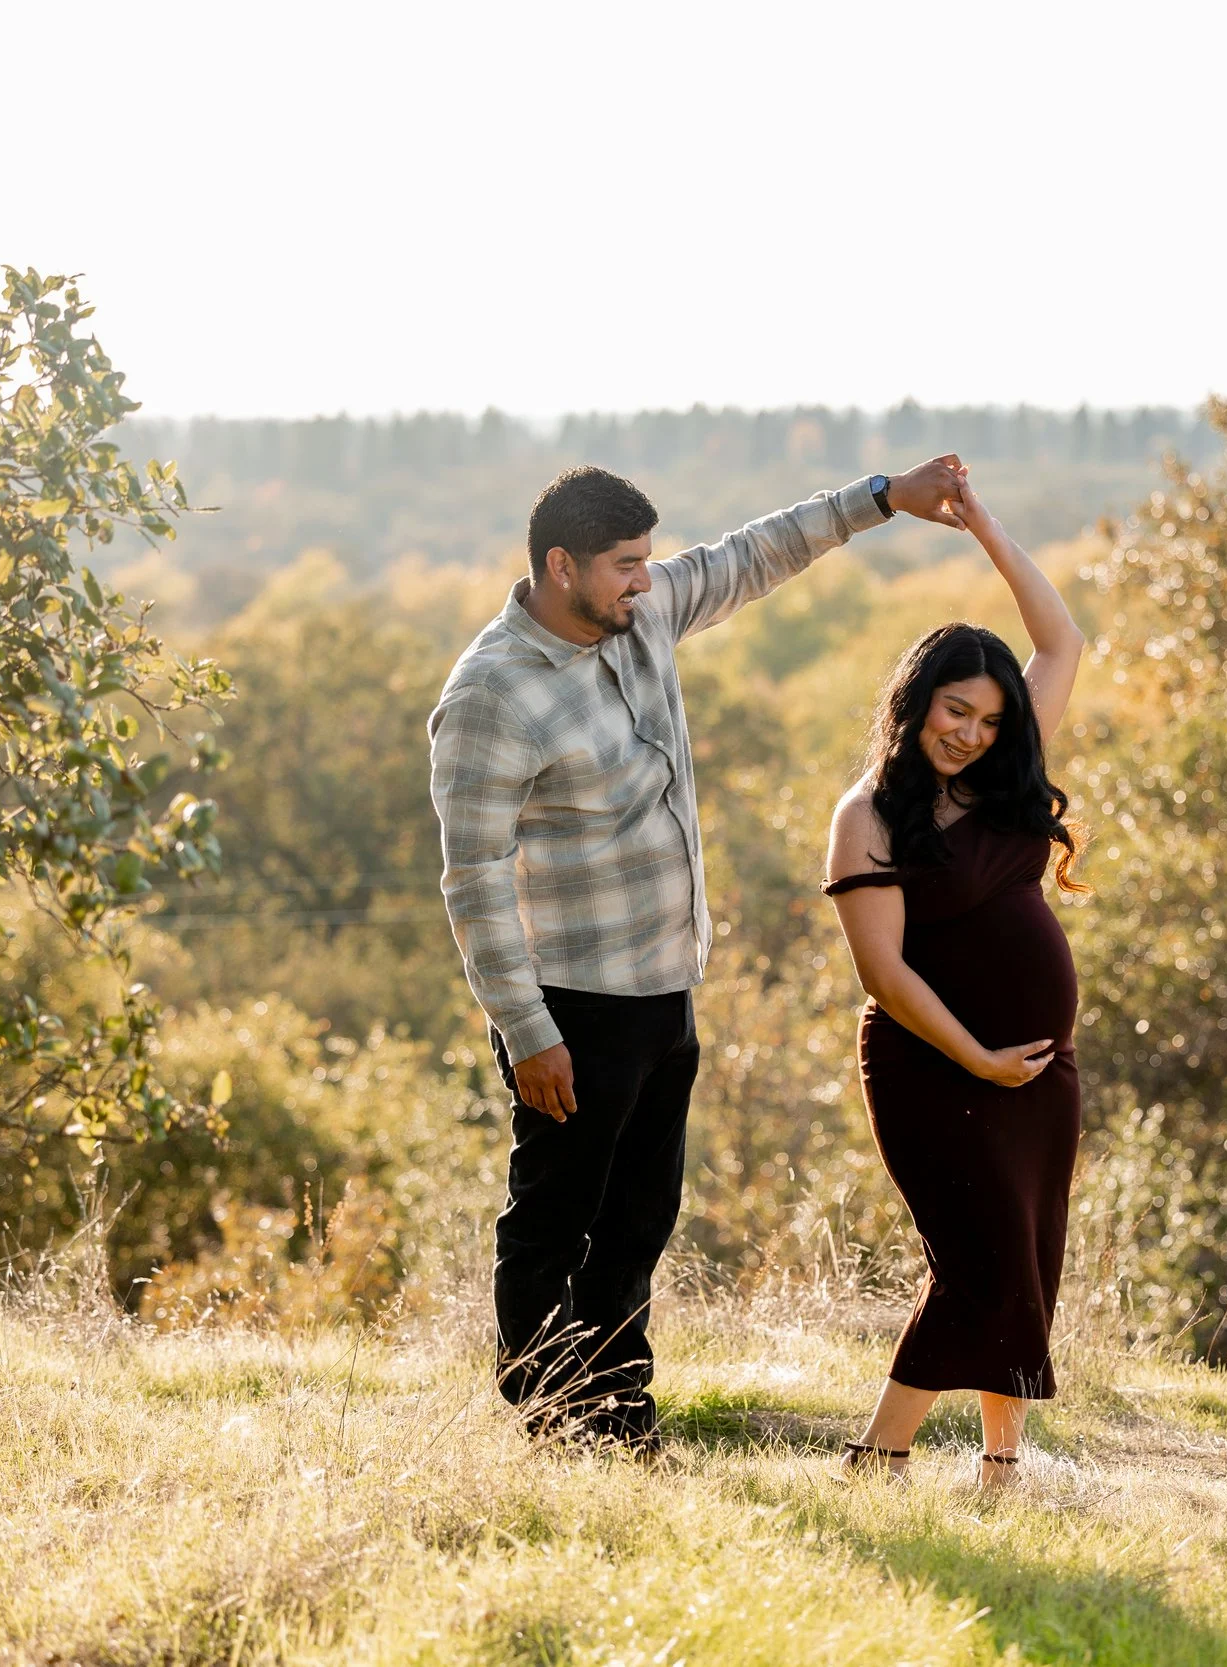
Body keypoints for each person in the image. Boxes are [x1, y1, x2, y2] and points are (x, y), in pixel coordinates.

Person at [428, 455, 968, 1452]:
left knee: (638, 1221)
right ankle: (550, 1418)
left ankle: (619, 1417)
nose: (646, 578)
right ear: (561, 565)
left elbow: (755, 552)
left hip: (665, 986)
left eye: (648, 560)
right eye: (625, 564)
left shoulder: (639, 616)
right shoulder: (491, 695)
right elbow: (474, 880)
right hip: (569, 1005)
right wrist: (527, 1030)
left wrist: (884, 497)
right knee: (555, 1219)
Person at [821, 470, 1087, 1488]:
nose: (970, 732)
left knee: (1027, 1254)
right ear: (916, 702)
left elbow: (1062, 643)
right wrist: (976, 1055)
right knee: (978, 1260)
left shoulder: (1002, 782)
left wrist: (985, 530)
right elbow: (884, 972)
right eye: (955, 710)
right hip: (933, 1069)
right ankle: (877, 1456)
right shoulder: (868, 815)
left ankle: (1001, 1468)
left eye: (987, 718)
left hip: (1037, 1073)